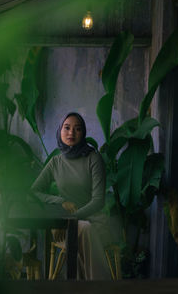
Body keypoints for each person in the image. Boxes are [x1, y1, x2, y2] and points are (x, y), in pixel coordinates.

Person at [31, 112, 120, 280]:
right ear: (60, 130)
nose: (71, 133)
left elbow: (98, 201)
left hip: (93, 220)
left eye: (77, 129)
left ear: (83, 133)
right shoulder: (56, 162)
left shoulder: (93, 158)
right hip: (65, 224)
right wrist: (60, 202)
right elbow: (34, 191)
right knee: (82, 231)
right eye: (67, 128)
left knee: (84, 229)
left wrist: (69, 220)